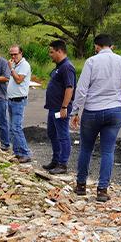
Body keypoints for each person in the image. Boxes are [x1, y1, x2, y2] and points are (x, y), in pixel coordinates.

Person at [70, 33, 121, 202]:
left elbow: (81, 89)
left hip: (92, 111)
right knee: (108, 151)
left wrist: (75, 111)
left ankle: (80, 186)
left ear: (96, 46)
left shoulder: (91, 62)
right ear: (112, 46)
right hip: (114, 111)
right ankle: (102, 190)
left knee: (86, 148)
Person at [44, 40, 76, 174]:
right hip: (53, 107)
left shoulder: (67, 67)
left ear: (60, 51)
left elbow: (70, 88)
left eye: (52, 52)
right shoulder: (59, 67)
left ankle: (63, 164)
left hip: (60, 108)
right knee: (52, 133)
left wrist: (64, 107)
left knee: (62, 135)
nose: (50, 55)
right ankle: (56, 160)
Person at [5, 45, 32, 163]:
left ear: (21, 53)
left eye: (15, 54)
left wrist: (11, 69)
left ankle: (25, 153)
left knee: (16, 127)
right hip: (11, 99)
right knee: (12, 128)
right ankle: (17, 152)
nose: (13, 56)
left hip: (18, 100)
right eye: (11, 54)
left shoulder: (24, 65)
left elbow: (19, 79)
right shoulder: (16, 65)